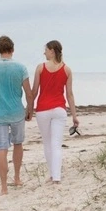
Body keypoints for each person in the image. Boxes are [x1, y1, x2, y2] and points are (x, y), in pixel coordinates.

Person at [0, 35, 33, 195]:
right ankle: (17, 178)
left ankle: (4, 187)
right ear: (12, 49)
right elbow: (29, 94)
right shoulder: (21, 68)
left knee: (2, 149)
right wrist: (29, 110)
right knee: (18, 144)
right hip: (17, 113)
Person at [31, 40, 79, 184]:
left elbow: (34, 92)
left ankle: (52, 175)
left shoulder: (40, 68)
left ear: (52, 50)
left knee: (47, 143)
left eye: (45, 49)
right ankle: (56, 178)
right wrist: (74, 116)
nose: (44, 52)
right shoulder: (67, 70)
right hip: (59, 109)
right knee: (56, 144)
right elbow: (69, 94)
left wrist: (28, 109)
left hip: (43, 110)